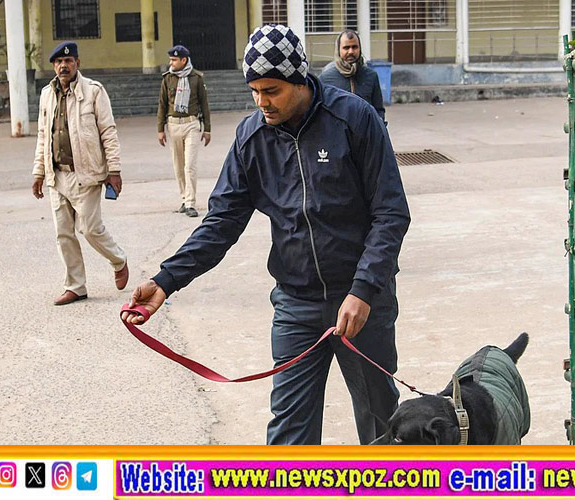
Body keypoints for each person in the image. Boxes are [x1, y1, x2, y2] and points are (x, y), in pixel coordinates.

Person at [123, 24, 411, 445]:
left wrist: (365, 289)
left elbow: (391, 213)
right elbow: (222, 222)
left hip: (363, 305)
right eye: (254, 91)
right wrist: (167, 280)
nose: (262, 102)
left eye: (272, 90)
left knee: (382, 426)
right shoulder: (251, 138)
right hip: (297, 305)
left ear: (299, 79)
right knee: (289, 437)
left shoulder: (353, 119)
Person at [32, 41, 129, 305]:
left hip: (85, 174)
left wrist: (114, 169)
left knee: (90, 228)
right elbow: (43, 135)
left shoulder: (94, 91)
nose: (64, 66)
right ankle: (75, 286)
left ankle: (118, 260)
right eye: (59, 63)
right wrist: (38, 171)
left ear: (77, 64)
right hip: (57, 174)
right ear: (54, 66)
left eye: (69, 61)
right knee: (63, 233)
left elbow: (108, 131)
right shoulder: (46, 94)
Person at [156, 44, 212, 218]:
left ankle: (190, 203)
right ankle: (184, 198)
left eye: (174, 59)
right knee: (178, 166)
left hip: (191, 124)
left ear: (183, 60)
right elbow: (162, 104)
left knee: (190, 165)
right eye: (171, 59)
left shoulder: (196, 78)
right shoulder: (167, 79)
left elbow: (204, 104)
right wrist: (160, 129)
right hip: (173, 125)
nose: (171, 62)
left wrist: (207, 129)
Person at [318, 30, 385, 121]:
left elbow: (379, 110)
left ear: (360, 48)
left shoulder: (371, 76)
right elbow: (319, 111)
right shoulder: (325, 78)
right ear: (338, 50)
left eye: (354, 47)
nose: (351, 51)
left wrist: (378, 127)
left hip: (365, 133)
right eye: (346, 47)